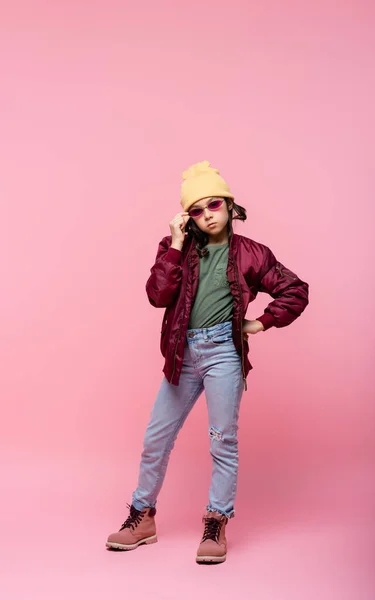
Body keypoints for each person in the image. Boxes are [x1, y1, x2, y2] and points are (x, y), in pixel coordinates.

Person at [106, 161, 309, 564]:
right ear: (188, 218)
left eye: (213, 204)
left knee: (222, 442)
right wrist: (176, 242)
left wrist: (263, 322)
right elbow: (158, 295)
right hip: (182, 353)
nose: (206, 214)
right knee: (155, 440)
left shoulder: (252, 253)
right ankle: (142, 518)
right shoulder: (178, 250)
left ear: (230, 205)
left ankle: (216, 521)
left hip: (223, 354)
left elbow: (294, 289)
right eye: (195, 210)